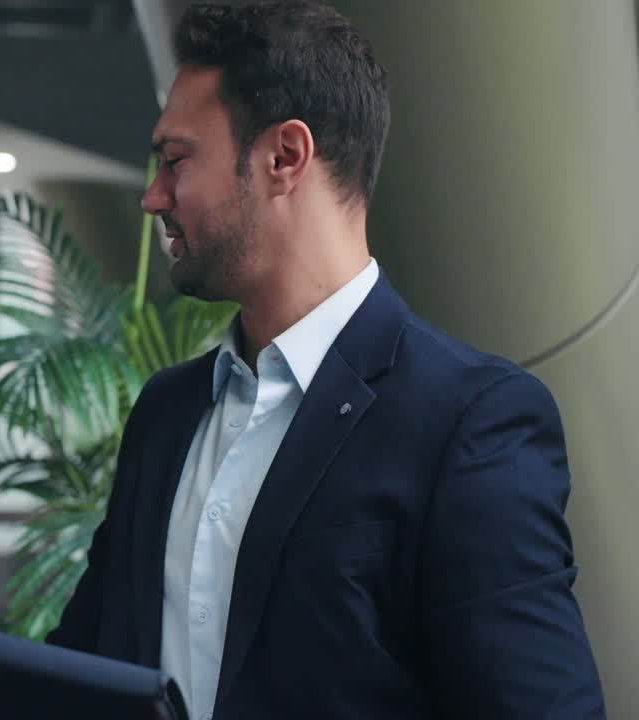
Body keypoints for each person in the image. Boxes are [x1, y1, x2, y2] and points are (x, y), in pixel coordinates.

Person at [46, 2, 605, 718]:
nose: (154, 196)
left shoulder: (468, 422)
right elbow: (81, 670)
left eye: (176, 160)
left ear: (285, 157)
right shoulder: (166, 413)